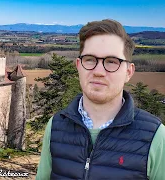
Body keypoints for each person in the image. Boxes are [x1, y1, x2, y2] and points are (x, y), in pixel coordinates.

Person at [36, 19, 165, 180]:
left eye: (112, 62)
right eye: (90, 59)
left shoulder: (156, 136)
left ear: (128, 72)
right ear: (78, 65)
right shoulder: (56, 126)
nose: (98, 71)